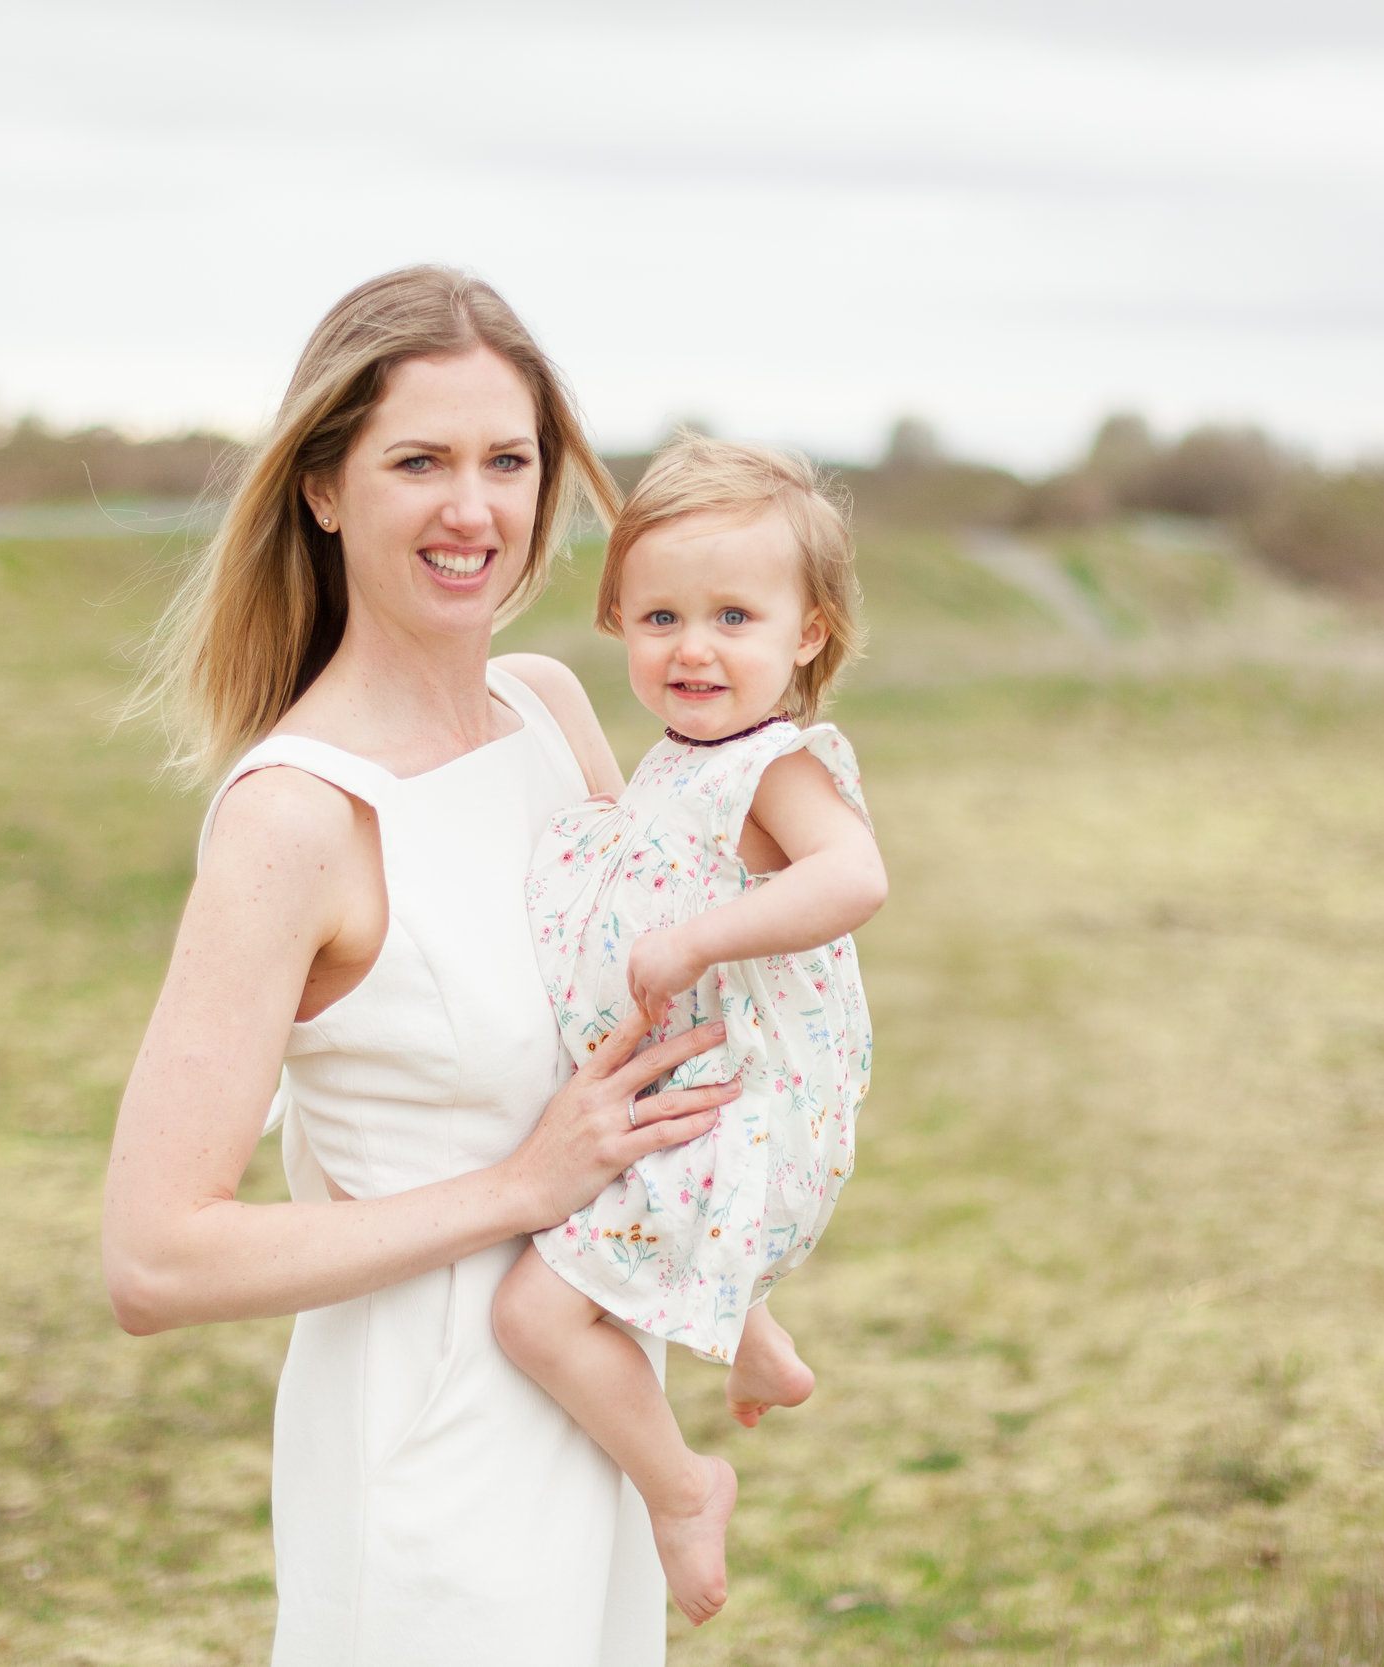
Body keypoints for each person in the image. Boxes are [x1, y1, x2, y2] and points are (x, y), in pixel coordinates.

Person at [99, 267, 742, 1667]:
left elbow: (642, 1052)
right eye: (421, 462)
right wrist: (517, 1187)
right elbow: (153, 1255)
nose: (476, 510)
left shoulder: (550, 705)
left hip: (592, 1411)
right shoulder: (296, 816)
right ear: (325, 486)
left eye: (509, 460)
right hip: (428, 1458)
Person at [490, 434, 886, 1626]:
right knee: (634, 1192)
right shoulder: (675, 764)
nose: (693, 646)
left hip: (746, 1116)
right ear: (616, 618)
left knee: (533, 1311)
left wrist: (707, 938)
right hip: (700, 1109)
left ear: (806, 632)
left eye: (731, 614)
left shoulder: (771, 763)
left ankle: (678, 1486)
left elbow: (854, 875)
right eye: (659, 615)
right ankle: (756, 1341)